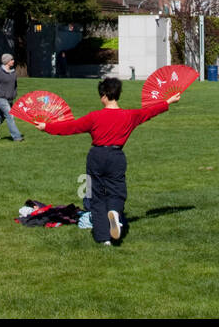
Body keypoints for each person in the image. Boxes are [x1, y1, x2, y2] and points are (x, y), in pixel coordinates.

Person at [35, 77, 179, 246]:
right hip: (116, 156)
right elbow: (149, 112)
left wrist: (47, 127)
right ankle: (114, 213)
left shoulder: (94, 116)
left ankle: (104, 238)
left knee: (96, 196)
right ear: (118, 95)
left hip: (96, 156)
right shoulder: (130, 115)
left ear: (103, 96)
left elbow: (71, 127)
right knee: (117, 191)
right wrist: (168, 101)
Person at [0, 53, 23, 142]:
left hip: (10, 99)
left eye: (13, 59)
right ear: (6, 61)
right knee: (10, 116)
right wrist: (2, 94)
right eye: (11, 60)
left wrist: (14, 93)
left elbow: (15, 85)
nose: (13, 61)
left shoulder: (13, 73)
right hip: (0, 99)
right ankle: (17, 137)